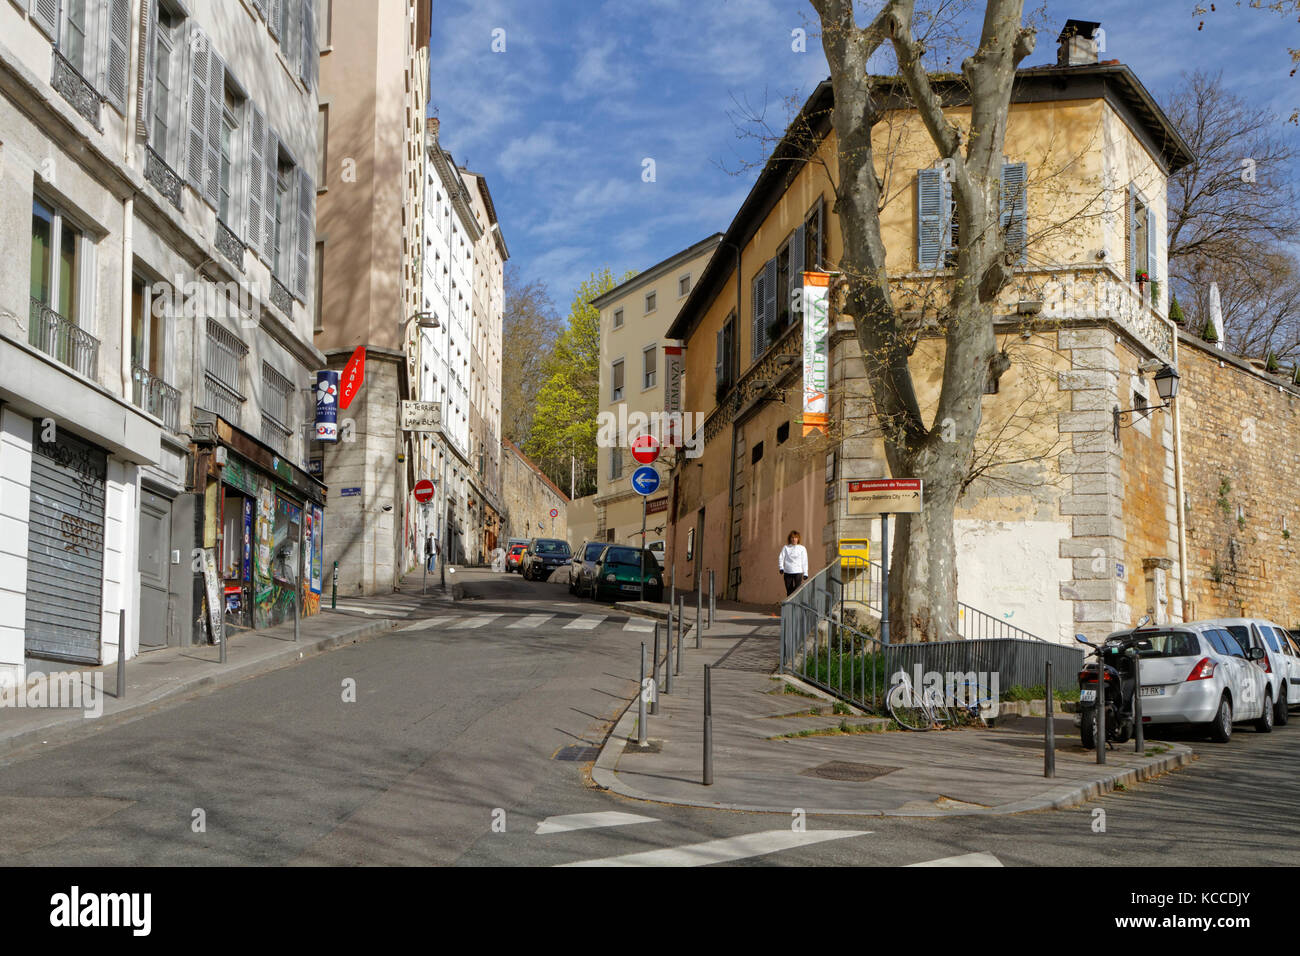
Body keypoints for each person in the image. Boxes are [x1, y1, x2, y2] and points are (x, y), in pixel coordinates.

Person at [778, 530, 808, 596]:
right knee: (789, 591)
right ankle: (790, 606)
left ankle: (796, 605)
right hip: (787, 572)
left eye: (796, 538)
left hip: (798, 572)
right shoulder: (786, 548)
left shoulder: (802, 548)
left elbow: (804, 561)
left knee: (797, 591)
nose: (794, 539)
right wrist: (781, 567)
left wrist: (805, 573)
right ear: (790, 539)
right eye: (792, 538)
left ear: (798, 539)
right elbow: (781, 557)